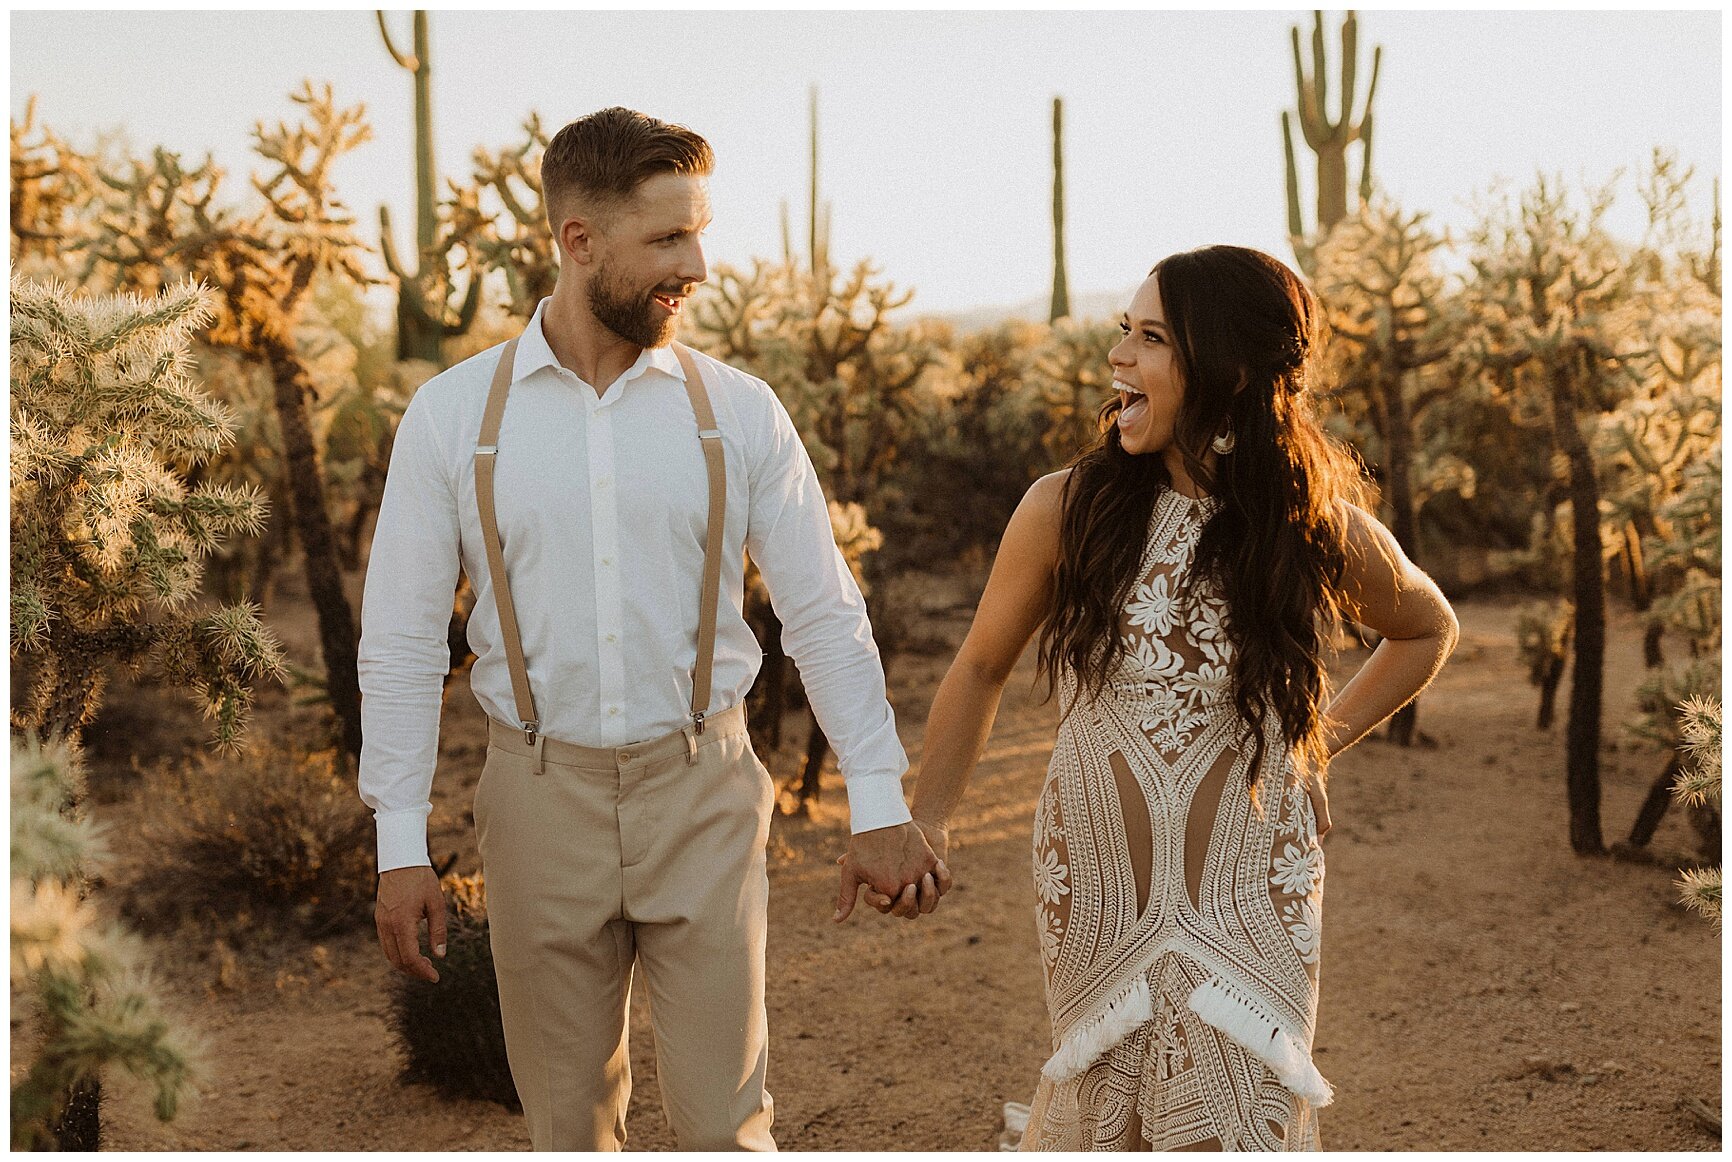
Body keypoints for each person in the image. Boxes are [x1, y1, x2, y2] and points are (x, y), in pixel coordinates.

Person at [358, 106, 944, 1151]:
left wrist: (878, 799)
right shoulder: (451, 419)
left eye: (698, 232)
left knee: (729, 1126)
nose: (699, 264)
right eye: (668, 238)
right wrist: (399, 843)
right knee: (567, 1129)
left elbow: (822, 611)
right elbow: (402, 639)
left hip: (704, 792)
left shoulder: (739, 412)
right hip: (538, 802)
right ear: (578, 240)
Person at [857, 246, 1459, 1150]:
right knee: (1114, 1120)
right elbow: (980, 666)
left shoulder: (1308, 524)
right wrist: (931, 817)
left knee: (1242, 1112)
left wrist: (1313, 745)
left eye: (1150, 339)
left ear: (1230, 369)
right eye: (1122, 334)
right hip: (1099, 879)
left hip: (1252, 881)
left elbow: (1426, 627)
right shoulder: (1065, 508)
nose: (1118, 361)